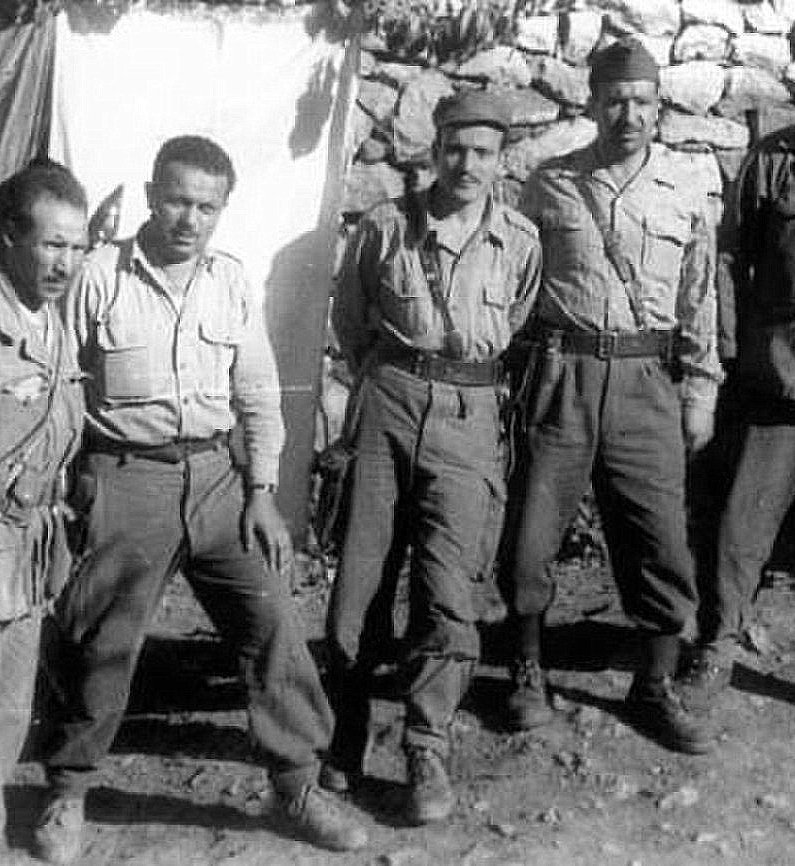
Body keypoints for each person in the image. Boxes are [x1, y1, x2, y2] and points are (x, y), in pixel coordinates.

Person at [32, 135, 367, 865]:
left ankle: (299, 784)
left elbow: (257, 396)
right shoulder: (97, 277)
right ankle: (68, 788)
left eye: (206, 206)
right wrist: (70, 493)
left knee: (271, 619)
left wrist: (262, 493)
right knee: (101, 640)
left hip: (217, 478)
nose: (189, 218)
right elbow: (59, 389)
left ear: (222, 211)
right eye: (178, 200)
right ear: (152, 194)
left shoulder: (229, 282)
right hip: (126, 478)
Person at [497, 38, 723, 753]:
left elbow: (701, 300)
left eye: (643, 102)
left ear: (660, 109)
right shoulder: (550, 182)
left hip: (646, 381)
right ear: (592, 103)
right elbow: (517, 284)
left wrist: (702, 390)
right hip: (561, 373)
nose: (629, 114)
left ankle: (653, 686)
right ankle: (526, 672)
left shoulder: (685, 193)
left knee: (658, 536)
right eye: (616, 100)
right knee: (532, 533)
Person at [326, 91, 541, 824]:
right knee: (361, 576)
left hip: (470, 414)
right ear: (434, 147)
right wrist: (387, 383)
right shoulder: (386, 227)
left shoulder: (519, 239)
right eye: (455, 148)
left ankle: (427, 742)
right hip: (389, 400)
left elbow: (515, 320)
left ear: (501, 159)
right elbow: (351, 319)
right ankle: (344, 731)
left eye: (483, 152)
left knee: (450, 588)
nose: (467, 165)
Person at [681, 14, 795, 703]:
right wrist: (732, 354)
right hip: (779, 383)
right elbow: (732, 258)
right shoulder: (778, 158)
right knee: (738, 531)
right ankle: (718, 645)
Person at [0, 160, 88, 851]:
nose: (65, 262)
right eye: (51, 244)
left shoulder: (55, 322)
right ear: (10, 237)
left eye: (77, 246)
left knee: (8, 706)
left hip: (26, 549)